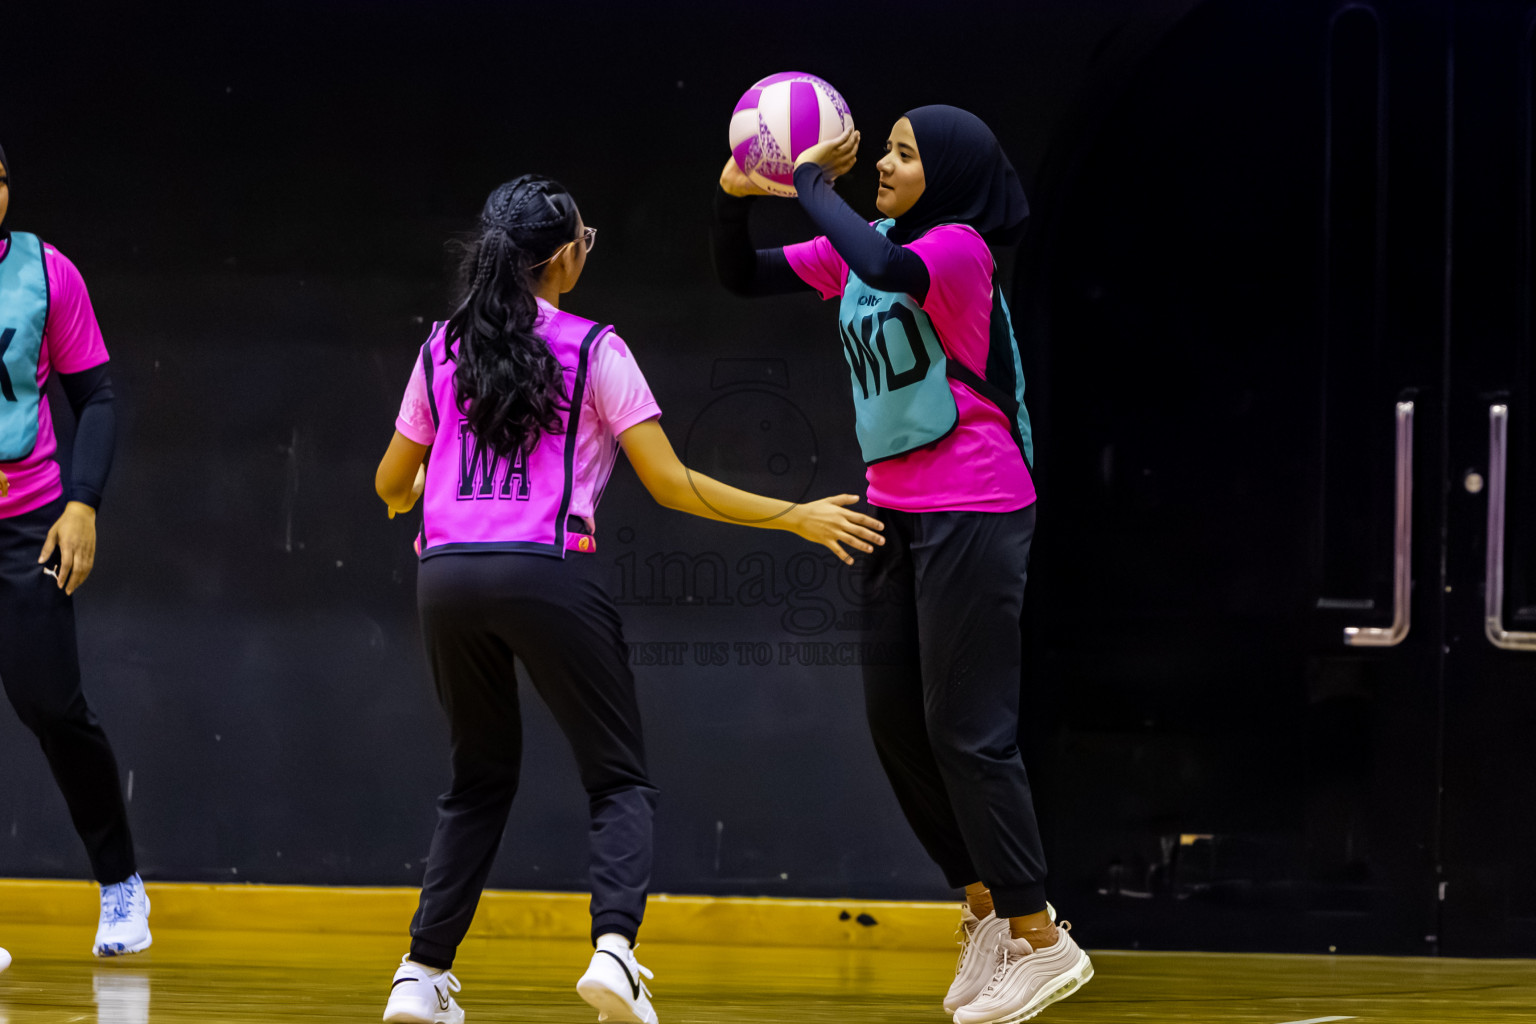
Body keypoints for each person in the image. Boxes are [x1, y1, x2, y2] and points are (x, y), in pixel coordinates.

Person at [374, 174, 885, 1024]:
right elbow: (673, 485)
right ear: (563, 259)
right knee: (617, 780)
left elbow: (392, 483)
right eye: (586, 237)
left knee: (476, 781)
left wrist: (423, 486)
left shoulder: (442, 348)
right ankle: (614, 953)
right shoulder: (594, 348)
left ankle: (418, 975)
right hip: (547, 568)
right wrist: (794, 515)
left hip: (448, 576)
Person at [711, 106, 1092, 1023]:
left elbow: (887, 269)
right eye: (882, 146)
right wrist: (735, 199)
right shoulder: (864, 239)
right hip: (896, 505)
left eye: (903, 152)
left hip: (978, 501)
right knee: (896, 724)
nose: (881, 161)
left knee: (969, 731)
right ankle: (987, 910)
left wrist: (809, 184)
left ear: (949, 173)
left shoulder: (956, 248)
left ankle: (1045, 939)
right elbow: (740, 276)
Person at [0, 142, 150, 958]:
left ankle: (122, 885)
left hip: (28, 520)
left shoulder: (43, 271)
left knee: (51, 705)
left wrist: (82, 503)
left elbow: (95, 394)